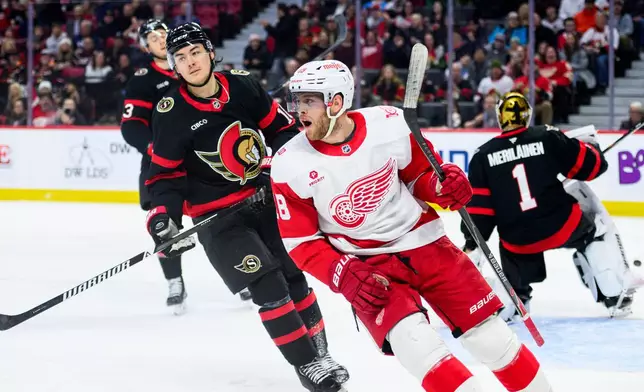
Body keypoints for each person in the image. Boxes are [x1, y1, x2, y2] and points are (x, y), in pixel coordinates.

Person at [271, 59, 551, 392]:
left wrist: (442, 187)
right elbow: (301, 242)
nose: (298, 110)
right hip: (367, 267)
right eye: (297, 100)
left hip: (427, 244)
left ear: (336, 101)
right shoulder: (289, 162)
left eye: (309, 101)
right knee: (418, 348)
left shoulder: (388, 124)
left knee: (491, 339)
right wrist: (342, 273)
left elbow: (421, 176)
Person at [145, 23, 348, 392]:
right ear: (173, 65)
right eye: (180, 57)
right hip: (218, 220)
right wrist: (163, 219)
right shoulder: (170, 111)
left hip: (266, 202)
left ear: (209, 52)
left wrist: (278, 159)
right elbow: (163, 177)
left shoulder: (242, 85)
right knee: (268, 286)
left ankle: (322, 357)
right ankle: (308, 369)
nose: (189, 62)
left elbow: (282, 130)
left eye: (194, 52)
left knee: (294, 278)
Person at [461, 91, 640, 320]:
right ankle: (615, 293)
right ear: (527, 115)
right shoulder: (547, 136)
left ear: (500, 117)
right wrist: (592, 148)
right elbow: (592, 168)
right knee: (595, 227)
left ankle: (517, 299)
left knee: (510, 242)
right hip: (562, 226)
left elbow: (480, 213)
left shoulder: (481, 156)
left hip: (519, 242)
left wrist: (470, 242)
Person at [121, 19, 252, 312]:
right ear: (145, 46)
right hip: (164, 165)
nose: (159, 39)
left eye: (163, 34)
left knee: (220, 220)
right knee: (166, 225)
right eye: (152, 37)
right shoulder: (142, 80)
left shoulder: (201, 73)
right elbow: (131, 127)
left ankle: (244, 273)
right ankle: (174, 280)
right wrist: (157, 148)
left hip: (205, 162)